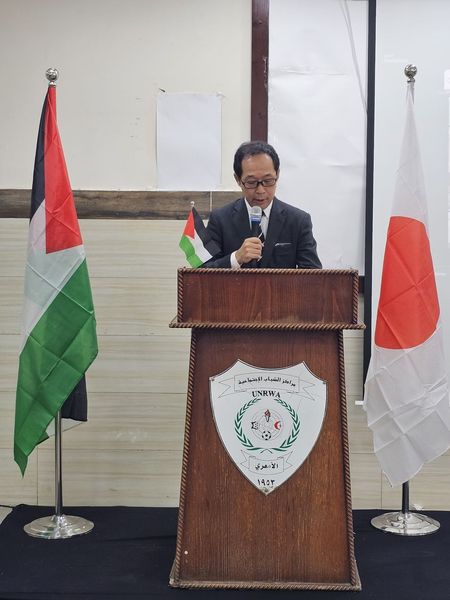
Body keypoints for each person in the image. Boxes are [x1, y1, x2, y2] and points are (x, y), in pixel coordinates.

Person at [203, 141, 322, 269]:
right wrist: (236, 258)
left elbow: (313, 274)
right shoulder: (220, 219)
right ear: (238, 179)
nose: (260, 190)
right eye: (251, 182)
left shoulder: (298, 221)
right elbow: (203, 271)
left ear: (277, 175)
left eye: (268, 181)